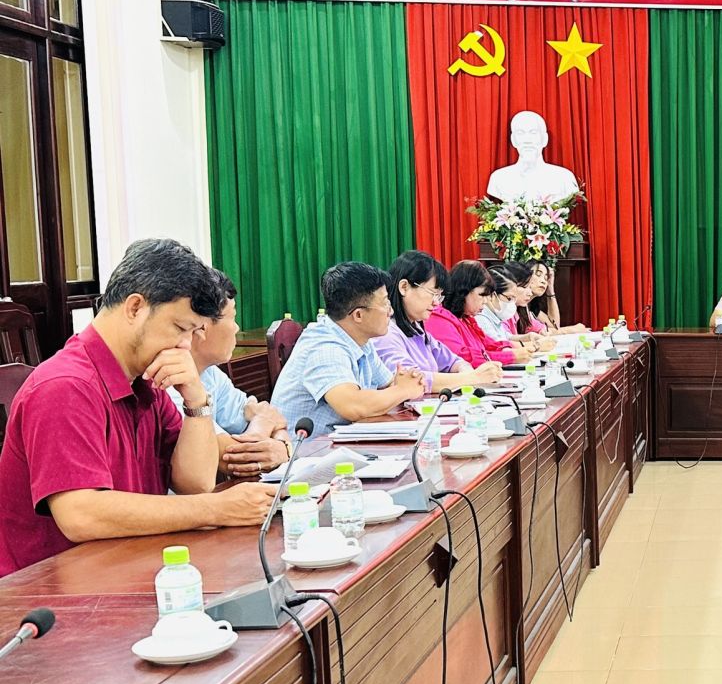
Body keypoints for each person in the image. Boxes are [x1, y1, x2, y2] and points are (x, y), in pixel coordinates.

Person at [0, 239, 277, 577]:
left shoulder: (146, 382)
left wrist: (196, 399)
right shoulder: (65, 385)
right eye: (180, 328)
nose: (185, 345)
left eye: (192, 332)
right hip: (48, 591)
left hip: (124, 569)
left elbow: (195, 482)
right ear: (134, 308)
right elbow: (80, 514)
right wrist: (216, 509)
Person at [271, 262, 428, 436]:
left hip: (338, 445)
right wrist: (402, 390)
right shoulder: (325, 347)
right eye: (385, 304)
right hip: (307, 449)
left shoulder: (360, 340)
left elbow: (388, 383)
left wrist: (405, 382)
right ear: (358, 315)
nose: (390, 311)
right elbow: (353, 406)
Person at [166, 270, 294, 480]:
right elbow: (233, 459)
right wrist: (265, 424)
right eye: (233, 318)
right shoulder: (169, 382)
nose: (237, 328)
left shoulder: (210, 373)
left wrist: (282, 446)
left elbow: (274, 417)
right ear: (202, 327)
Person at [373, 250, 507, 394]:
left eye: (439, 296)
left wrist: (467, 372)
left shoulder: (417, 329)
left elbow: (454, 361)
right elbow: (411, 381)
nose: (436, 302)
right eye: (432, 293)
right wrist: (473, 377)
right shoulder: (386, 333)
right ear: (404, 287)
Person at [427, 261, 534, 367]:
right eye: (482, 295)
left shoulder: (466, 319)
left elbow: (489, 344)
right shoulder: (439, 318)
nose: (486, 301)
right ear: (463, 291)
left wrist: (513, 350)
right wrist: (510, 356)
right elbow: (460, 357)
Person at [528, 261, 588, 335]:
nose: (543, 281)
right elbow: (539, 332)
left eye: (546, 278)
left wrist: (550, 289)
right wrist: (571, 330)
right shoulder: (518, 305)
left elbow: (554, 326)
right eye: (538, 275)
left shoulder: (531, 307)